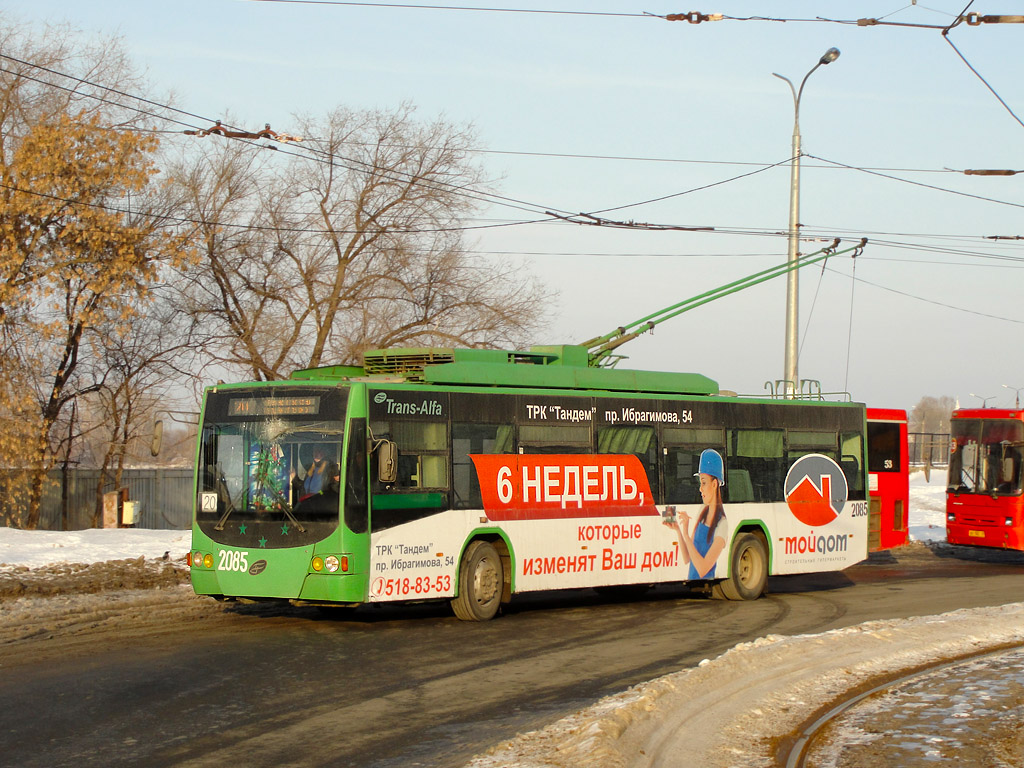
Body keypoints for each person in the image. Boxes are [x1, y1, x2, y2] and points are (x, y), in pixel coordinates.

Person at [664, 448, 728, 580]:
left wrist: (686, 535)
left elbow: (703, 569)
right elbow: (687, 557)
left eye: (704, 483)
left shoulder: (722, 524)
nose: (700, 489)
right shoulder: (702, 511)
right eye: (700, 483)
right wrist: (678, 529)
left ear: (715, 484)